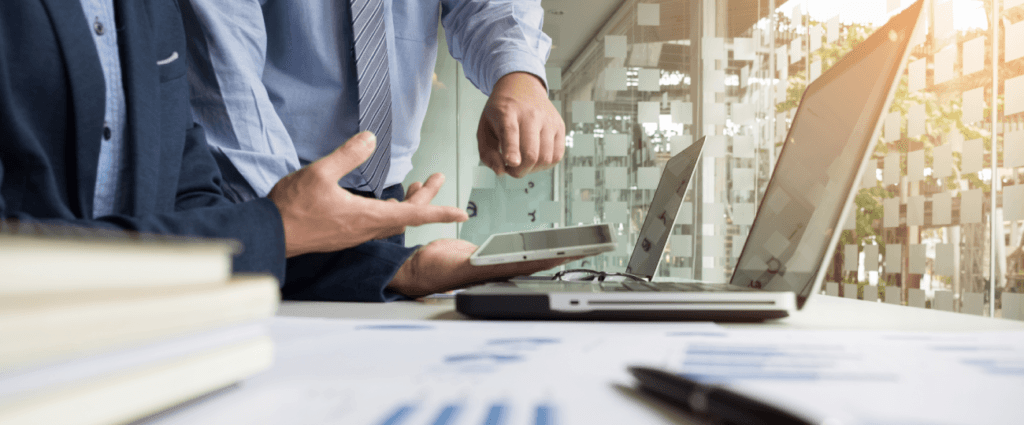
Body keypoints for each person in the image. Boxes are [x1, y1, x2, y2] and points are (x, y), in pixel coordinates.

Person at [0, 0, 568, 301]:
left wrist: (400, 268)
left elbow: (181, 189)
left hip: (324, 225)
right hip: (264, 185)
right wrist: (282, 224)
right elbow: (227, 76)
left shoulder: (139, 17)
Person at [180, 0, 564, 224]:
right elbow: (221, 62)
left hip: (383, 198)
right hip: (258, 191)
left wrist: (519, 73)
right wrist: (277, 221)